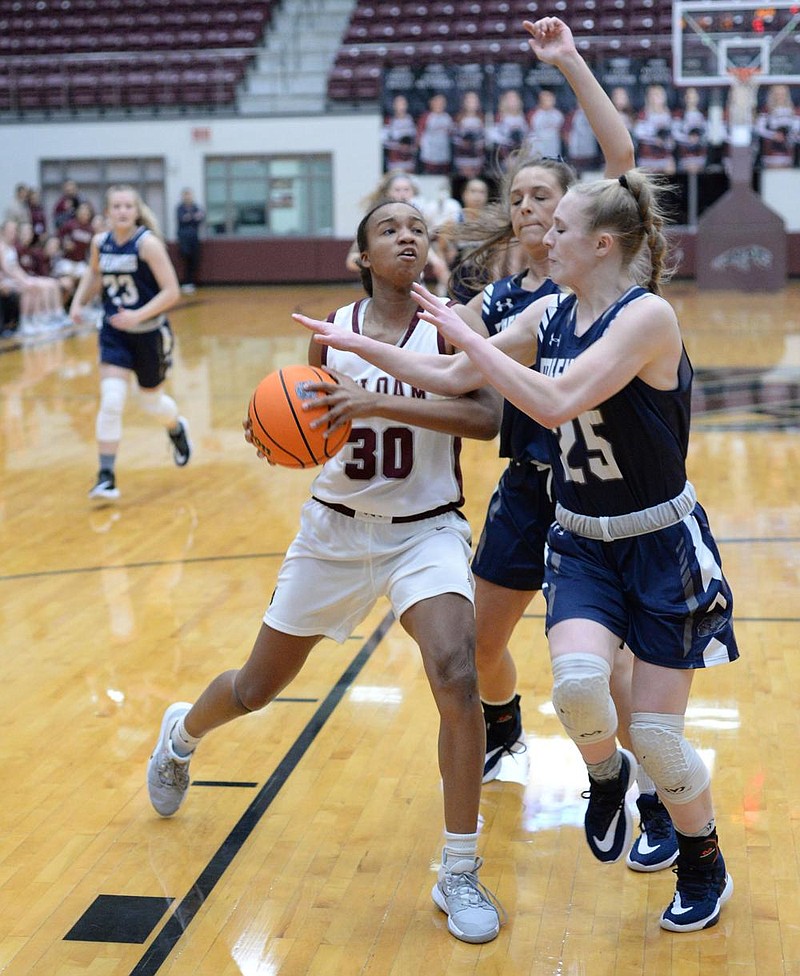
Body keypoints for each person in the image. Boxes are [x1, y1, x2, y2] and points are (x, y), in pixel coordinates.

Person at [304, 167, 739, 934]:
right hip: (581, 538)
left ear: (602, 244)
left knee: (662, 740)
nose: (545, 234)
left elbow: (552, 400)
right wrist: (361, 353)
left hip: (658, 539)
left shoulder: (646, 321)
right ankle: (606, 778)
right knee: (575, 689)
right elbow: (450, 370)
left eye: (562, 226)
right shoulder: (548, 310)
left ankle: (702, 858)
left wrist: (473, 335)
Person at [333, 15, 682, 877]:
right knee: (481, 641)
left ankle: (651, 793)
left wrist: (567, 65)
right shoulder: (500, 300)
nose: (529, 210)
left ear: (574, 213)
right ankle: (505, 725)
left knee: (624, 683)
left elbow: (625, 163)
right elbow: (449, 369)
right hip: (533, 490)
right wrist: (359, 366)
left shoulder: (607, 280)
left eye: (544, 198)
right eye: (519, 198)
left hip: (613, 498)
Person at [147, 198, 505, 945]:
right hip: (333, 534)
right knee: (255, 689)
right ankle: (182, 733)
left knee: (457, 673)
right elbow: (302, 422)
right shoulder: (330, 335)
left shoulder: (449, 327)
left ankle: (460, 868)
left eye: (415, 227)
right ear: (362, 257)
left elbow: (487, 418)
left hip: (425, 532)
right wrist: (272, 435)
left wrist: (382, 401)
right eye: (388, 229)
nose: (406, 235)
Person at [69, 184, 191, 502]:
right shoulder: (100, 243)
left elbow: (171, 292)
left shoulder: (147, 244)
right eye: (116, 206)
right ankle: (105, 476)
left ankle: (176, 427)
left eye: (127, 206)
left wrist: (137, 315)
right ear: (107, 212)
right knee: (112, 400)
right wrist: (78, 302)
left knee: (151, 402)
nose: (122, 211)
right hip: (114, 333)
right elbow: (94, 275)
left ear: (136, 211)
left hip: (149, 333)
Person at [344, 172, 450, 295]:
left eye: (406, 189)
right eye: (397, 190)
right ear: (387, 193)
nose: (403, 194)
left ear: (413, 193)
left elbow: (425, 245)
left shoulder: (419, 217)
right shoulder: (375, 222)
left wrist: (436, 261)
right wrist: (380, 261)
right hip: (385, 289)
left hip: (415, 286)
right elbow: (351, 261)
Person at [175, 188, 205, 294]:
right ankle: (185, 283)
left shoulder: (196, 207)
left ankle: (191, 283)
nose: (188, 197)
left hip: (194, 238)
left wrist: (190, 218)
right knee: (186, 260)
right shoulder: (180, 208)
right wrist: (191, 218)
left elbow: (200, 218)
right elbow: (183, 219)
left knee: (194, 261)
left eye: (189, 195)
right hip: (184, 239)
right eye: (186, 195)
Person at [382, 93, 419, 173]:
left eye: (403, 104)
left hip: (409, 162)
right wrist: (398, 146)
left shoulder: (411, 120)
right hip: (394, 162)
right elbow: (384, 142)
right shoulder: (389, 121)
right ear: (394, 106)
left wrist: (410, 147)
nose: (401, 106)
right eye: (398, 104)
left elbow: (416, 139)